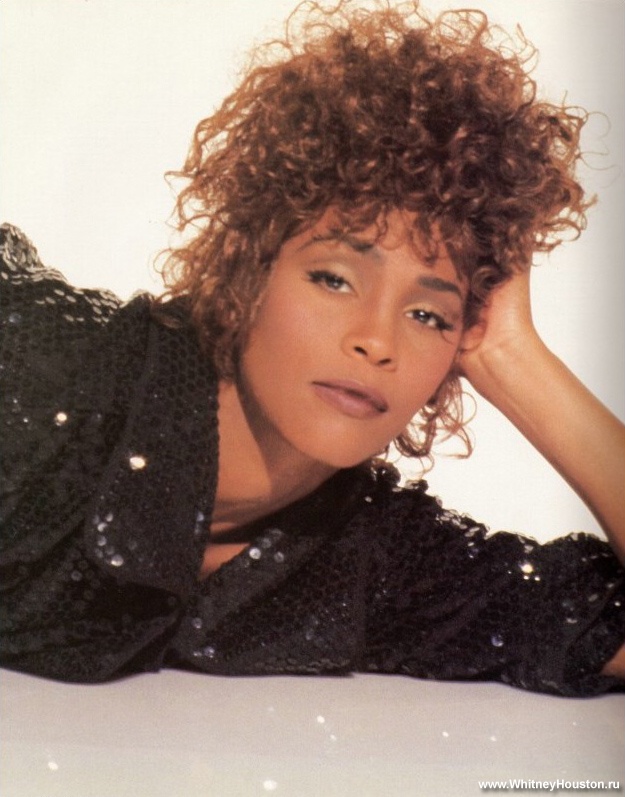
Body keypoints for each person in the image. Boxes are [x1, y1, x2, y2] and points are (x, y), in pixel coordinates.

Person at [1, 0, 624, 694]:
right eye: (333, 279)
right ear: (247, 267)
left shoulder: (368, 556)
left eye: (428, 315)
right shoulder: (39, 380)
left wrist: (513, 357)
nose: (376, 341)